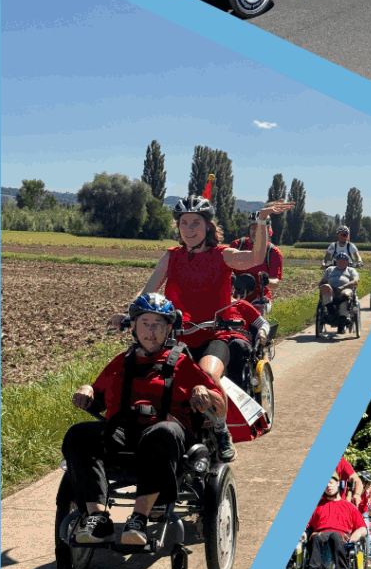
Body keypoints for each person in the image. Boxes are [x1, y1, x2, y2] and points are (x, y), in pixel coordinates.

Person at [63, 292, 227, 550]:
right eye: (145, 324)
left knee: (161, 433)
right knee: (79, 435)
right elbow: (97, 395)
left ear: (168, 328)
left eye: (158, 325)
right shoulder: (120, 362)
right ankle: (97, 518)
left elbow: (219, 402)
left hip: (168, 438)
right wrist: (86, 390)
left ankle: (138, 519)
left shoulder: (182, 364)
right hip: (124, 434)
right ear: (135, 328)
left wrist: (203, 392)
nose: (151, 332)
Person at [140, 193, 289, 398]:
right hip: (176, 335)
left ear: (207, 226)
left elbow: (255, 258)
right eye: (184, 223)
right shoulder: (171, 256)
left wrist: (261, 220)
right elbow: (147, 292)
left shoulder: (222, 254)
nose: (189, 229)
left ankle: (220, 429)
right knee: (153, 379)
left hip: (214, 335)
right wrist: (131, 312)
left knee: (208, 376)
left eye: (195, 223)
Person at [302, 472, 367, 569]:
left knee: (334, 536)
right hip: (320, 536)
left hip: (340, 537)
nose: (328, 486)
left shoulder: (349, 506)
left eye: (331, 482)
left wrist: (356, 534)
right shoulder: (316, 506)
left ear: (338, 484)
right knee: (315, 537)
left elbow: (363, 528)